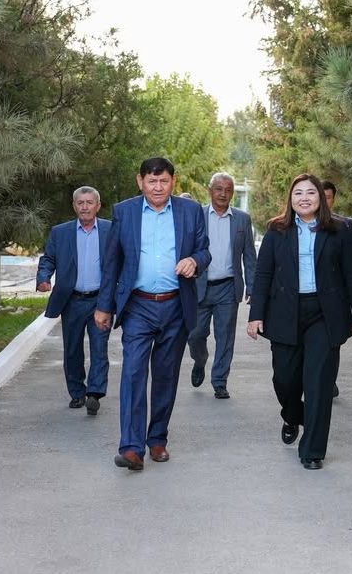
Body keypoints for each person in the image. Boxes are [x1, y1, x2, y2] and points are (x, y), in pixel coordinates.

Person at [94, 157, 210, 472]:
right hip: (138, 306)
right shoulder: (125, 212)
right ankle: (131, 448)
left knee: (165, 375)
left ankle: (157, 438)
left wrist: (195, 261)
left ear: (173, 182)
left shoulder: (190, 211)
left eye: (164, 181)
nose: (158, 187)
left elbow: (204, 250)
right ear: (140, 181)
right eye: (151, 181)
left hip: (175, 305)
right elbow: (112, 261)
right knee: (133, 372)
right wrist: (104, 305)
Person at [247, 174, 352, 470]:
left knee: (319, 383)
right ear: (290, 199)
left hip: (324, 314)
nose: (304, 198)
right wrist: (256, 314)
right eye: (298, 193)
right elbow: (263, 274)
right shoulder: (277, 230)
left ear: (321, 199)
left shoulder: (338, 231)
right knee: (285, 380)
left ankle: (313, 450)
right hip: (284, 312)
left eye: (310, 193)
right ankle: (293, 415)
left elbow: (351, 276)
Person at [36, 186, 112, 416]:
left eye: (90, 202)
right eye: (81, 203)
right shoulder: (61, 232)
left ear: (98, 206)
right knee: (72, 350)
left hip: (101, 301)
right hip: (72, 301)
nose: (85, 207)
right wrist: (43, 278)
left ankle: (95, 393)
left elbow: (122, 258)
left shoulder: (111, 230)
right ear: (74, 206)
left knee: (99, 348)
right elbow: (48, 259)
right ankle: (77, 392)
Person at [188, 172, 256, 399]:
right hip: (199, 285)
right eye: (218, 189)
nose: (223, 194)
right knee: (195, 335)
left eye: (228, 190)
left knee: (225, 337)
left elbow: (249, 255)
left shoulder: (242, 219)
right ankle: (200, 360)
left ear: (232, 193)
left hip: (228, 287)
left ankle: (219, 381)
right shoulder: (197, 215)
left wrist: (252, 287)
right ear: (210, 191)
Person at [322, 180, 352, 398]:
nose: (324, 201)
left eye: (328, 197)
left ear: (333, 200)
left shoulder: (344, 225)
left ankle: (329, 381)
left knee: (333, 340)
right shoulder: (300, 223)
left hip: (336, 292)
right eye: (320, 196)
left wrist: (349, 257)